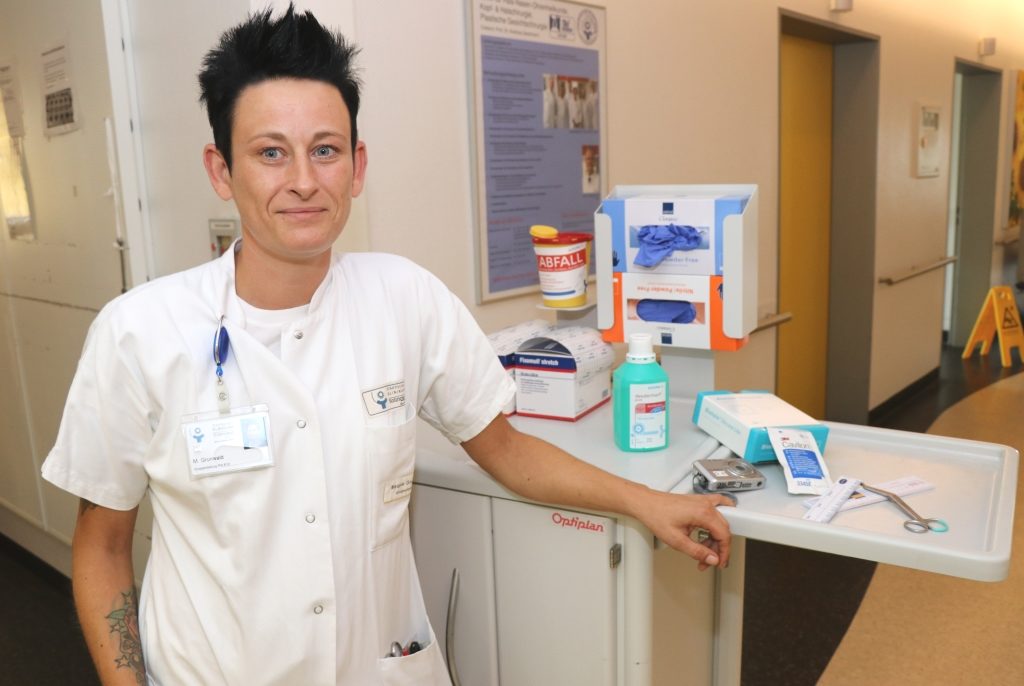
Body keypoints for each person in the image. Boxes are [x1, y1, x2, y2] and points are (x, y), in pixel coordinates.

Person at [42, 5, 732, 685]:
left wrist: (646, 501)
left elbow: (509, 452)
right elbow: (101, 547)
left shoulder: (405, 298)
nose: (305, 181)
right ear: (221, 170)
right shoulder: (140, 333)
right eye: (270, 153)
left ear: (357, 164)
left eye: (325, 150)